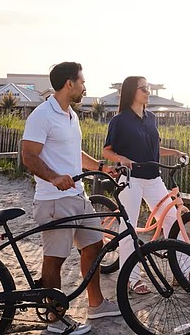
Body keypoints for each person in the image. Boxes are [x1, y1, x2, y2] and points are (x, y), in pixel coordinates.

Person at [21, 62, 120, 334]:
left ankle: (96, 305)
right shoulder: (43, 115)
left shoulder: (70, 115)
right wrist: (53, 176)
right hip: (54, 199)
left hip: (78, 194)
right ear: (69, 84)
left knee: (94, 246)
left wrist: (100, 167)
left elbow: (74, 154)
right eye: (82, 82)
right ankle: (55, 320)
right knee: (55, 258)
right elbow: (28, 156)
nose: (85, 87)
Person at [103, 76, 190, 295]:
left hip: (153, 178)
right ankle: (132, 279)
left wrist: (175, 153)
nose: (147, 92)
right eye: (143, 89)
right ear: (132, 92)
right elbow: (106, 151)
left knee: (171, 221)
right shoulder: (119, 121)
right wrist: (121, 159)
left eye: (147, 88)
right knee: (128, 229)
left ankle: (182, 272)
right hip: (131, 179)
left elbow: (154, 148)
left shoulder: (151, 118)